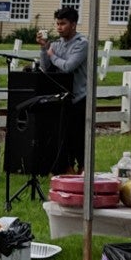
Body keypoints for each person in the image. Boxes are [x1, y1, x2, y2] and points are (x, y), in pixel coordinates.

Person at [38, 8, 87, 162]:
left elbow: (68, 67)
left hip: (79, 97)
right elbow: (46, 68)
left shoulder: (82, 44)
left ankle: (83, 169)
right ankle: (67, 168)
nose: (59, 27)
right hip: (62, 97)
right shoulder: (56, 44)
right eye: (57, 24)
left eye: (63, 24)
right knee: (63, 138)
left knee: (78, 137)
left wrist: (51, 54)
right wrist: (44, 48)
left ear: (73, 24)